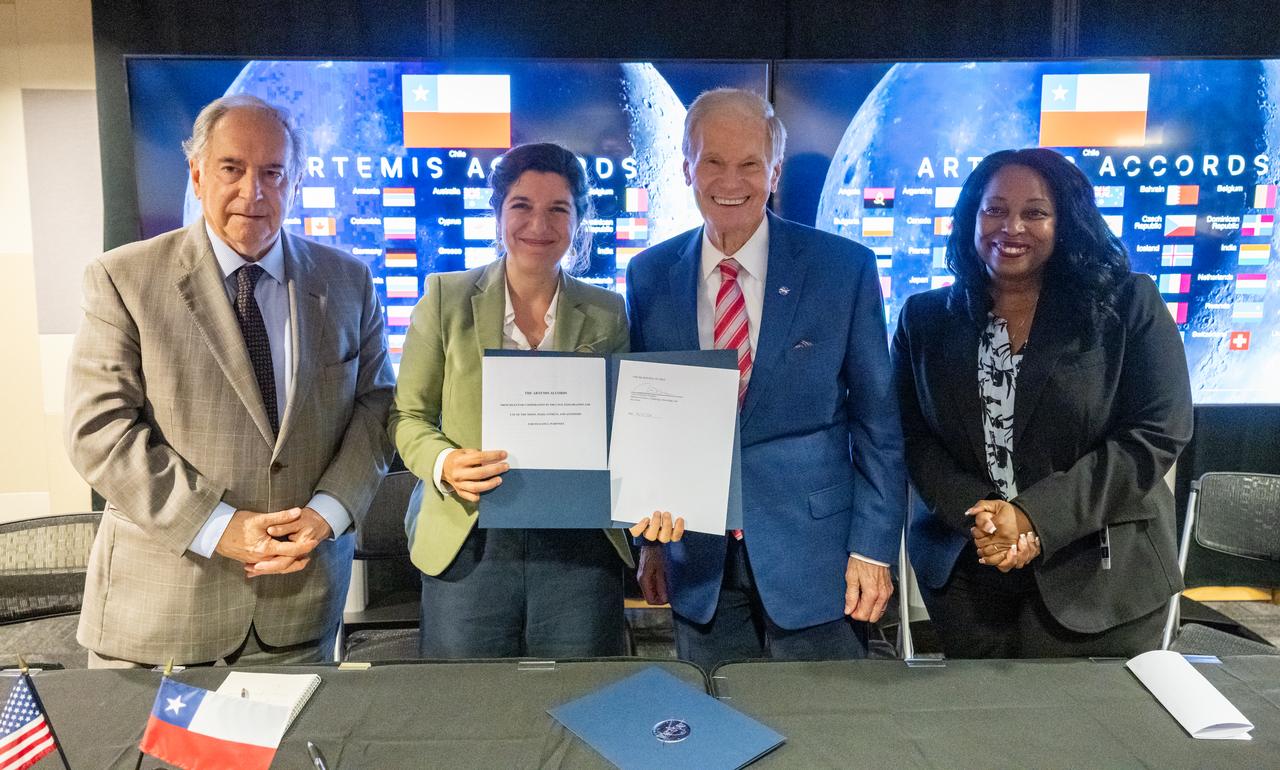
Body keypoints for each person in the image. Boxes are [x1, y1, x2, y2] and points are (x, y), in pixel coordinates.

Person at [65, 95, 395, 667]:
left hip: (299, 609)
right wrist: (218, 527)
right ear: (196, 172)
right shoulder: (123, 278)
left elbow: (376, 409)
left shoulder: (347, 281)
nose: (254, 192)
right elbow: (100, 431)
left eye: (273, 173)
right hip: (161, 619)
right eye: (232, 168)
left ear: (294, 181)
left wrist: (329, 511)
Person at [625, 89, 907, 671]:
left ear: (775, 170)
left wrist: (873, 548)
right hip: (698, 564)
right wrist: (650, 542)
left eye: (750, 163)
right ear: (685, 166)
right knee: (714, 740)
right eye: (713, 161)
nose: (732, 180)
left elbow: (879, 425)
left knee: (823, 740)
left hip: (818, 563)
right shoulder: (649, 275)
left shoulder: (842, 269)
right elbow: (647, 420)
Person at [893, 147, 1194, 658]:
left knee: (1093, 735)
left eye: (1034, 212)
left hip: (1101, 578)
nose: (1010, 227)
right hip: (970, 576)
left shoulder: (1126, 306)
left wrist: (1032, 517)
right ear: (971, 216)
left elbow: (1157, 432)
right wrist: (986, 523)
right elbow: (912, 436)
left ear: (1067, 222)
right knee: (980, 733)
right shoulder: (924, 319)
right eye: (994, 209)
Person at [389, 142, 681, 659]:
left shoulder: (607, 311)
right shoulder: (445, 297)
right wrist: (444, 462)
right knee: (471, 709)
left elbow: (628, 430)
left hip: (577, 542)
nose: (538, 225)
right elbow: (409, 416)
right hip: (470, 536)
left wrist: (654, 522)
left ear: (578, 221)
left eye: (558, 209)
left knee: (579, 705)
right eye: (521, 206)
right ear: (498, 213)